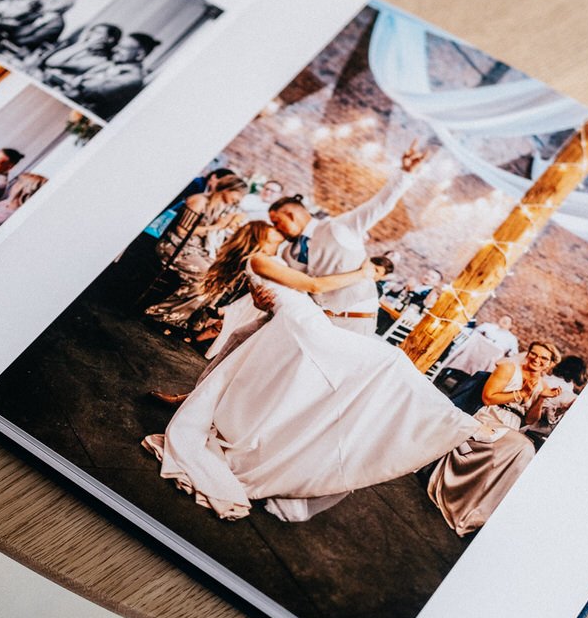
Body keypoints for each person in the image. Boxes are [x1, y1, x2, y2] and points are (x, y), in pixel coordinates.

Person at [143, 222, 479, 522]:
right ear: (261, 236)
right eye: (273, 228)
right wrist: (365, 273)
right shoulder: (261, 259)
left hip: (301, 320)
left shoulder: (273, 261)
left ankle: (442, 419)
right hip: (302, 326)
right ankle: (447, 420)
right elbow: (313, 285)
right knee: (386, 361)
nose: (280, 231)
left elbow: (299, 287)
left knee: (373, 367)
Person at [267, 141, 428, 334]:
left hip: (355, 321)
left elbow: (379, 205)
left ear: (291, 215)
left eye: (277, 222)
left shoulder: (339, 227)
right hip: (315, 321)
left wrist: (405, 173)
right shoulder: (288, 252)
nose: (276, 228)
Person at [427, 340, 562, 536]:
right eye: (534, 354)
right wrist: (521, 393)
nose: (537, 360)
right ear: (528, 353)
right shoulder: (508, 368)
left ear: (550, 364)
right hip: (490, 418)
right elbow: (488, 397)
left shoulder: (542, 385)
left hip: (513, 429)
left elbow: (529, 421)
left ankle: (478, 508)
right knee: (525, 448)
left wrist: (540, 398)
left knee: (523, 451)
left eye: (544, 358)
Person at [144, 174, 248, 323]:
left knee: (220, 277)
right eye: (239, 195)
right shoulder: (200, 201)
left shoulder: (221, 208)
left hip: (196, 249)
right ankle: (161, 315)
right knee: (206, 277)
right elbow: (182, 230)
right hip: (175, 247)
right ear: (228, 188)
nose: (239, 200)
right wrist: (217, 226)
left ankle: (189, 321)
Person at [65, 33, 156, 117]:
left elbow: (89, 93)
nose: (114, 49)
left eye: (123, 47)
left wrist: (78, 82)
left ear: (139, 54)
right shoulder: (110, 64)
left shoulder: (132, 79)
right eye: (117, 45)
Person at [38, 22, 120, 85]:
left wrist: (85, 44)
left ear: (110, 39)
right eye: (92, 31)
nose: (90, 35)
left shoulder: (101, 60)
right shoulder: (84, 49)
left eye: (98, 33)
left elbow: (52, 62)